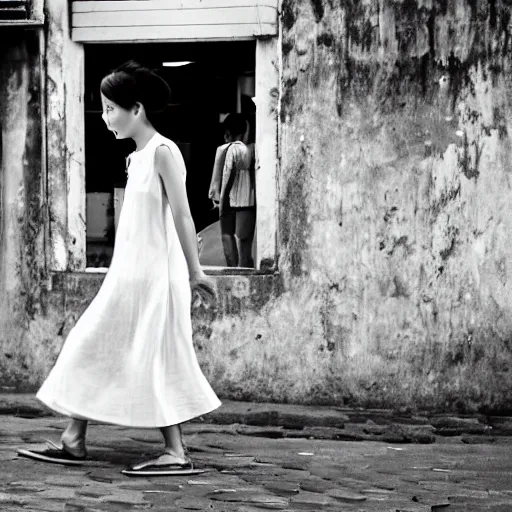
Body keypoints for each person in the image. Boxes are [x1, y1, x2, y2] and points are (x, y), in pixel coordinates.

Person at [17, 61, 221, 476]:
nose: (107, 118)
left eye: (112, 108)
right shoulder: (137, 158)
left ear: (137, 108)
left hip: (157, 280)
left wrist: (194, 271)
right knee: (91, 344)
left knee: (156, 356)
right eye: (105, 108)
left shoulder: (164, 152)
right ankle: (75, 438)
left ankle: (175, 452)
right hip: (128, 277)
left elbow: (183, 216)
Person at [208, 114, 256, 267]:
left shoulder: (223, 150)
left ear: (227, 134)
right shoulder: (252, 149)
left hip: (228, 199)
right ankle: (243, 270)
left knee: (226, 235)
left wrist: (220, 198)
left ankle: (233, 270)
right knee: (245, 245)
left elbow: (219, 179)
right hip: (247, 200)